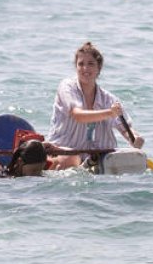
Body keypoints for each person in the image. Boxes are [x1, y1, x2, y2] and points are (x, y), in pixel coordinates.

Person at [44, 42, 145, 170]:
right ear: (76, 67)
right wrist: (109, 113)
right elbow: (78, 115)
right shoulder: (67, 87)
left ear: (99, 68)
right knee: (72, 159)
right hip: (63, 152)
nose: (85, 68)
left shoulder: (109, 99)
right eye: (81, 64)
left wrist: (135, 138)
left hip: (98, 157)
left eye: (90, 64)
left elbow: (125, 130)